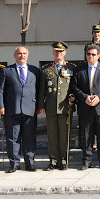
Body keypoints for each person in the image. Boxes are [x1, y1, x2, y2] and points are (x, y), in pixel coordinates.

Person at [69, 43, 100, 170]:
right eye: (88, 54)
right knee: (86, 136)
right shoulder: (79, 69)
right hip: (85, 107)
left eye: (93, 54)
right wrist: (85, 97)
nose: (90, 56)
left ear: (99, 56)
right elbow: (74, 86)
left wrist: (99, 97)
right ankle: (86, 161)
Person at [0, 46, 41, 172]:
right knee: (13, 138)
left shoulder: (35, 71)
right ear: (15, 55)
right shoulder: (7, 71)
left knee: (29, 137)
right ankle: (14, 163)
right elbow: (0, 90)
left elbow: (39, 90)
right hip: (11, 109)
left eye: (24, 53)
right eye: (19, 53)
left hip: (30, 109)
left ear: (28, 55)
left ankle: (30, 162)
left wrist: (39, 106)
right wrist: (0, 105)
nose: (22, 56)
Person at [37, 41, 75, 170]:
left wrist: (73, 100)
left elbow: (74, 88)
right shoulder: (46, 69)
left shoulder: (71, 68)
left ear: (65, 53)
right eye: (56, 51)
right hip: (51, 107)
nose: (59, 53)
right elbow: (42, 90)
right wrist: (41, 106)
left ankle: (63, 161)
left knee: (64, 136)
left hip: (65, 107)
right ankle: (53, 161)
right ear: (53, 53)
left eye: (61, 51)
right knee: (52, 136)